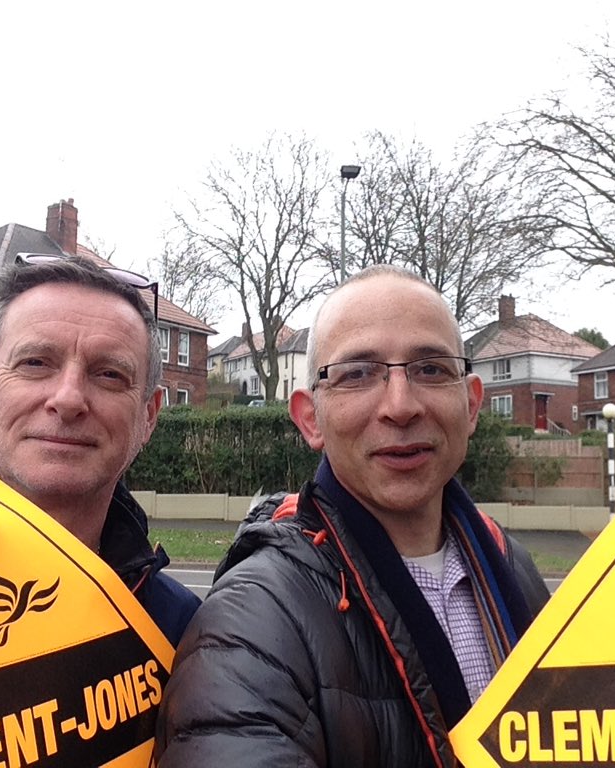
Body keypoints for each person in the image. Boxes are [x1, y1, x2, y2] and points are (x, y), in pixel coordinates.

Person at [156, 266, 549, 767]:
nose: (401, 406)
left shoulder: (511, 566)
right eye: (358, 373)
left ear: (471, 405)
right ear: (310, 419)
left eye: (431, 369)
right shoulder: (251, 623)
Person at [0, 254, 199, 645]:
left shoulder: (182, 634)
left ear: (149, 415)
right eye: (36, 362)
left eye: (109, 374)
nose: (69, 398)